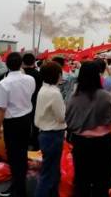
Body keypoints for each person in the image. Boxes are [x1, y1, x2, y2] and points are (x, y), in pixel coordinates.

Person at [65, 61, 111, 197]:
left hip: (81, 144)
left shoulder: (74, 97)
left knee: (82, 181)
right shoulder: (105, 96)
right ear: (97, 75)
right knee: (102, 181)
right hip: (102, 144)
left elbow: (69, 121)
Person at [0, 52, 36, 197]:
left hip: (12, 122)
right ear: (22, 63)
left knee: (13, 156)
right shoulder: (30, 79)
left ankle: (18, 189)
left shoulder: (4, 83)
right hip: (26, 120)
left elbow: (0, 109)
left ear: (6, 65)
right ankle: (18, 185)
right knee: (21, 154)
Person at [34, 61, 66, 197]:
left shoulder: (44, 89)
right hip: (53, 135)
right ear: (58, 75)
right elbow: (62, 117)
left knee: (52, 171)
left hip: (45, 134)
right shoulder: (54, 93)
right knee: (49, 174)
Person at [23, 53, 43, 151]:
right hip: (35, 102)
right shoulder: (38, 75)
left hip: (22, 103)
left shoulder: (21, 74)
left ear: (23, 62)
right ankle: (35, 145)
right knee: (35, 125)